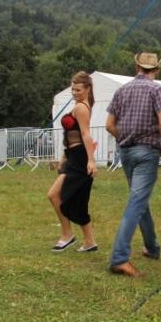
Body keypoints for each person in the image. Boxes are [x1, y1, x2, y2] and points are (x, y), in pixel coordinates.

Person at [105, 52, 161, 277]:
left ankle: (152, 248)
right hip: (147, 151)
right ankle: (119, 258)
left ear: (136, 67)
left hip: (126, 152)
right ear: (157, 70)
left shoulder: (121, 90)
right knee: (136, 202)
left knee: (139, 199)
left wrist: (123, 138)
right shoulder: (157, 89)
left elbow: (109, 125)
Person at [46, 71, 98, 252]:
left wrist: (91, 161)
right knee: (78, 200)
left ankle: (67, 235)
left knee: (55, 195)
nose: (74, 93)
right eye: (73, 89)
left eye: (78, 90)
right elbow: (72, 136)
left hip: (80, 158)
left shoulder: (81, 108)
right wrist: (64, 157)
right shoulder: (79, 106)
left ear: (87, 89)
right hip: (73, 156)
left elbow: (85, 134)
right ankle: (90, 242)